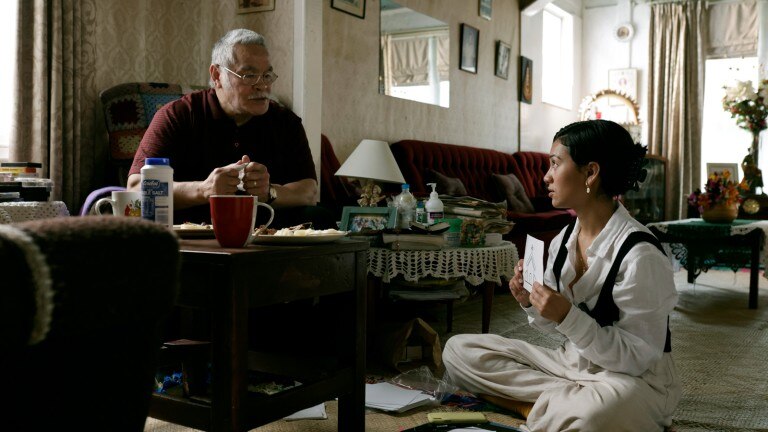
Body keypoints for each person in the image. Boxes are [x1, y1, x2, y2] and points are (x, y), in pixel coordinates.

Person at [442, 120, 681, 432]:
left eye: (555, 164)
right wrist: (531, 302)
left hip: (630, 379)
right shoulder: (563, 239)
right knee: (459, 351)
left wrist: (568, 316)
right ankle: (558, 407)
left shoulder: (640, 256)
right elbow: (549, 322)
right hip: (569, 365)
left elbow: (636, 358)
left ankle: (540, 406)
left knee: (600, 414)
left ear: (590, 173)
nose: (546, 177)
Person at [127, 28, 335, 229]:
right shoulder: (177, 115)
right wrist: (203, 189)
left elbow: (308, 190)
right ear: (217, 75)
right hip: (193, 225)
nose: (263, 86)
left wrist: (270, 192)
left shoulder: (285, 122)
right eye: (249, 76)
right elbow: (135, 189)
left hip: (264, 226)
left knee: (319, 217)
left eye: (267, 75)